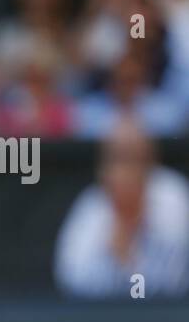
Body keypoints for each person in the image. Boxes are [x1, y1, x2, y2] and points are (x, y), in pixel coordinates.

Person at [54, 119, 189, 298]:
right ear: (103, 170)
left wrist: (133, 259)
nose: (127, 171)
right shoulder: (91, 209)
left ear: (152, 162)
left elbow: (175, 285)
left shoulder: (175, 200)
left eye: (136, 159)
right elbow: (71, 283)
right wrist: (117, 255)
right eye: (118, 159)